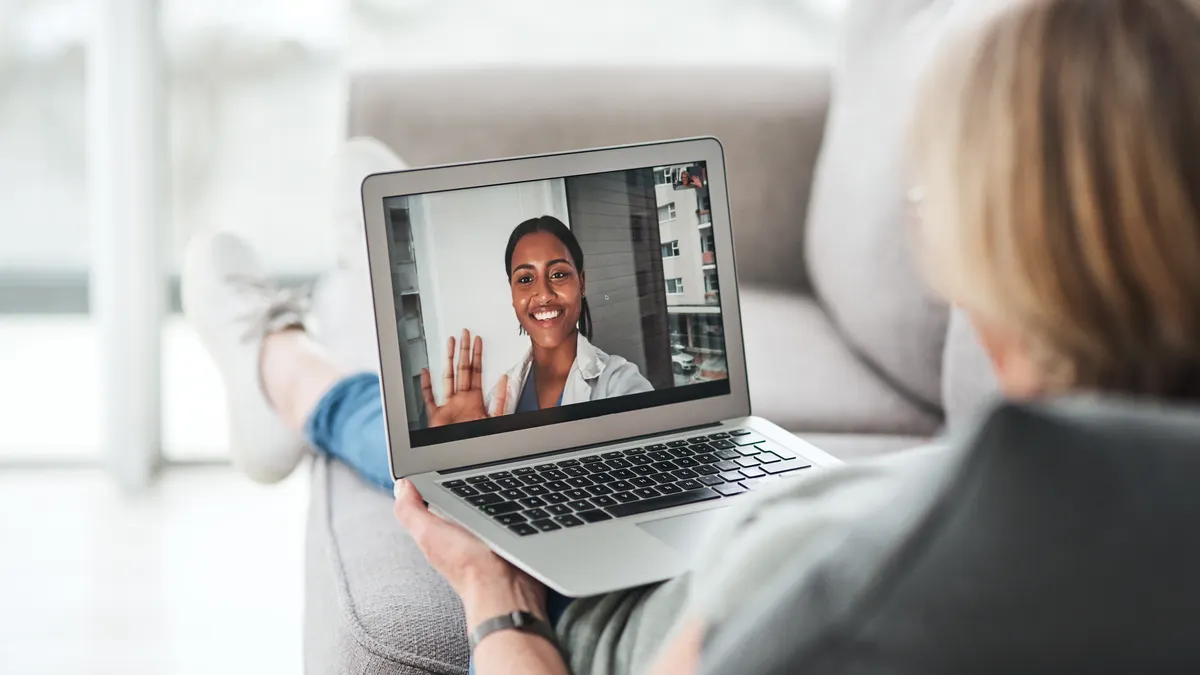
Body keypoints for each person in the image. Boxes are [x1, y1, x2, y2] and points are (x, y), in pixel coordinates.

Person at [184, 0, 1200, 672]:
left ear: (967, 243)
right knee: (474, 438)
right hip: (783, 506)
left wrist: (495, 591)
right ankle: (323, 328)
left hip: (629, 599)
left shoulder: (830, 590)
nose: (542, 294)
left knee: (454, 459)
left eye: (928, 198)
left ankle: (285, 365)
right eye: (522, 278)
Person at [419, 215, 653, 428]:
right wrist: (464, 445)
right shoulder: (496, 401)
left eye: (558, 274)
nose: (544, 295)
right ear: (512, 294)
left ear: (582, 284)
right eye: (525, 279)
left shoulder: (620, 383)